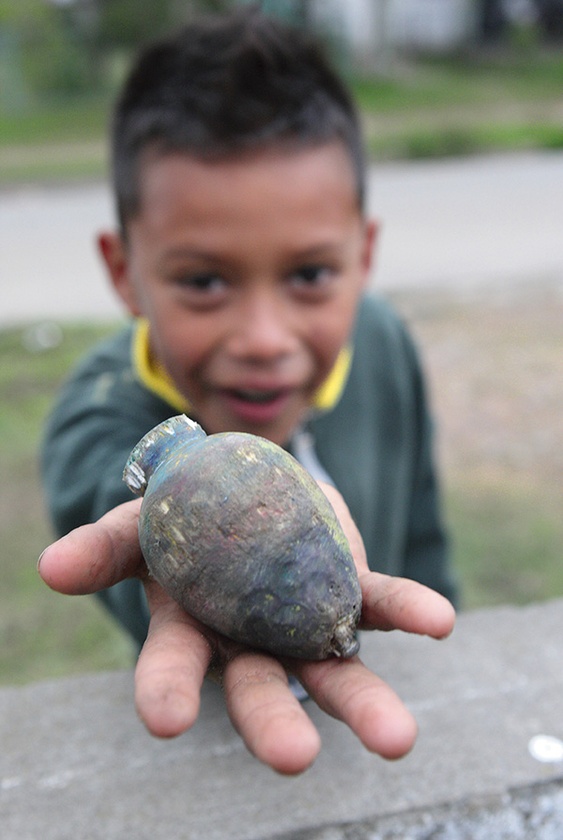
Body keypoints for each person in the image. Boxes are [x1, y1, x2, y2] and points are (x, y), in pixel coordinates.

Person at [39, 7, 457, 775]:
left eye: (308, 274)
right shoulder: (95, 411)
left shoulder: (386, 349)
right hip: (214, 734)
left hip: (369, 706)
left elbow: (426, 534)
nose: (264, 338)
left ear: (363, 255)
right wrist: (163, 527)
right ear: (124, 271)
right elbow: (104, 499)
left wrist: (433, 636)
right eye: (203, 281)